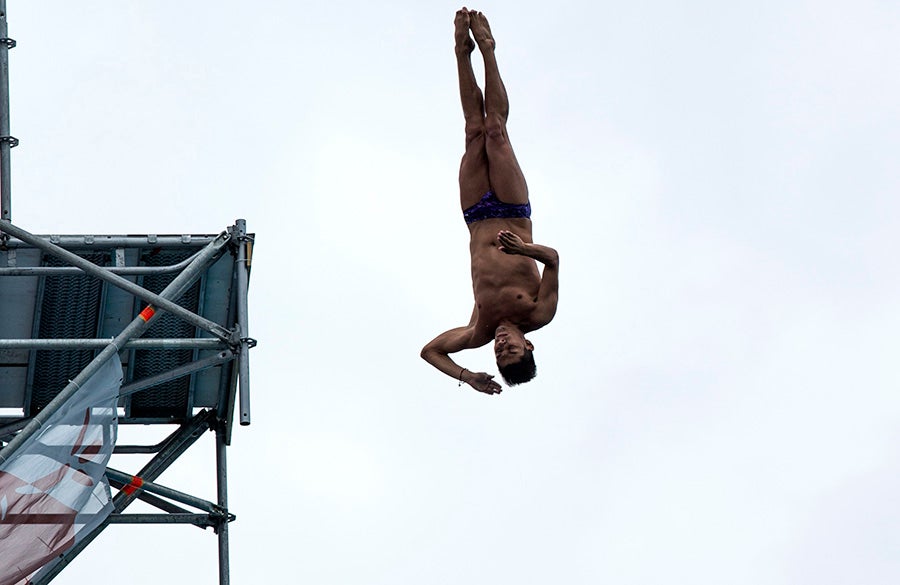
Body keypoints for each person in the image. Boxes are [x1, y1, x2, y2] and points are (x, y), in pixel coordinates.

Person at [421, 8, 559, 395]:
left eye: (500, 356)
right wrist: (524, 248)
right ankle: (488, 49)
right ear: (527, 344)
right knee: (495, 131)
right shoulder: (539, 313)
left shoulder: (478, 330)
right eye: (512, 349)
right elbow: (553, 259)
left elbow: (430, 351)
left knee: (473, 130)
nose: (501, 345)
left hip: (477, 216)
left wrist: (469, 377)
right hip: (513, 213)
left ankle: (461, 52)